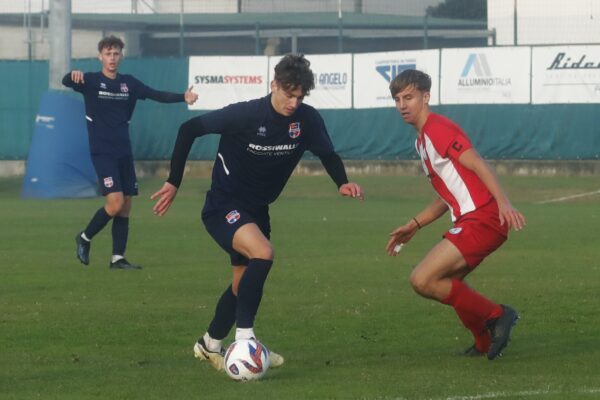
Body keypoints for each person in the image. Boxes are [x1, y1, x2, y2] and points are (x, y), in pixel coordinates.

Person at [151, 54, 364, 370]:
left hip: (257, 210)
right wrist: (174, 181)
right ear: (274, 84)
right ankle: (246, 340)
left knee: (243, 283)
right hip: (223, 206)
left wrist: (342, 183)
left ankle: (210, 343)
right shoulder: (245, 114)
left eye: (299, 96)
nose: (293, 102)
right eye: (288, 93)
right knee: (263, 253)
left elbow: (327, 154)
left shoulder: (307, 120)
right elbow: (188, 129)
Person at [386, 69, 526, 360]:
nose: (402, 105)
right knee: (448, 282)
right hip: (473, 219)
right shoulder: (421, 140)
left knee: (422, 279)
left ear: (426, 97)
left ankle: (499, 315)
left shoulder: (437, 128)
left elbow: (478, 163)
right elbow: (447, 195)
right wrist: (415, 224)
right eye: (397, 99)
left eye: (409, 97)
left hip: (483, 218)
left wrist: (504, 202)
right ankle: (484, 342)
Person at [63, 35, 198, 270]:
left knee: (125, 205)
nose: (112, 58)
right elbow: (67, 81)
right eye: (108, 53)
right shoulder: (92, 81)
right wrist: (71, 74)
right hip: (102, 152)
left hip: (124, 151)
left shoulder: (129, 84)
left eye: (116, 53)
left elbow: (156, 94)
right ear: (100, 56)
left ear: (121, 56)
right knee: (114, 203)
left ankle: (118, 258)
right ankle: (84, 238)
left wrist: (182, 97)